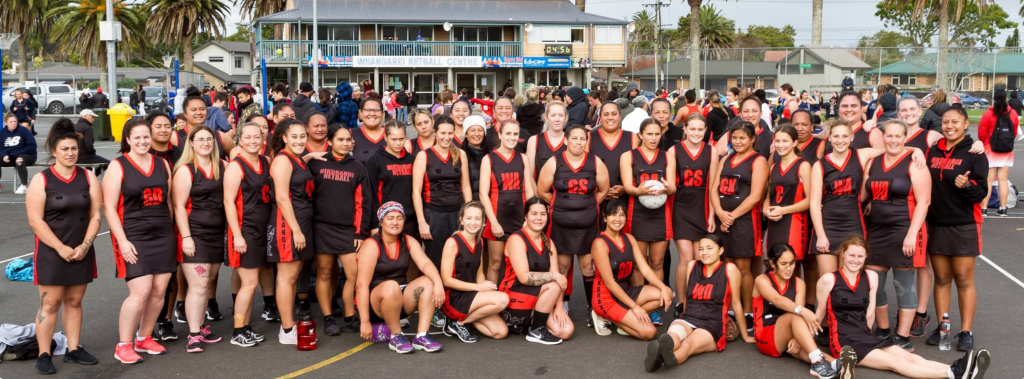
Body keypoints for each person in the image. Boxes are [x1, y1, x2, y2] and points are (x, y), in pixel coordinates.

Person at [815, 235, 988, 379]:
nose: (855, 260)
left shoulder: (871, 276)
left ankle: (959, 368)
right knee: (895, 363)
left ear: (866, 257)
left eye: (860, 256)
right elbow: (819, 314)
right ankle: (954, 374)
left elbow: (870, 313)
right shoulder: (828, 280)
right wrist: (805, 339)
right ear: (843, 254)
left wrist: (868, 337)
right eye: (851, 255)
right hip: (844, 342)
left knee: (909, 357)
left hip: (864, 335)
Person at [27, 119, 102, 374]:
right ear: (55, 152)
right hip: (51, 249)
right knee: (50, 304)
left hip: (81, 249)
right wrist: (60, 248)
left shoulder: (89, 177)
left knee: (74, 301)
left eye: (73, 149)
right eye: (65, 150)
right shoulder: (41, 179)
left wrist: (85, 245)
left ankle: (73, 349)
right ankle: (44, 353)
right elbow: (35, 220)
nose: (70, 153)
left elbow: (95, 216)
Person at [102, 119, 176, 364]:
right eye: (137, 138)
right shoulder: (117, 166)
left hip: (162, 233)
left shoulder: (163, 164)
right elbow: (110, 209)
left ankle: (144, 337)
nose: (143, 141)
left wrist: (172, 232)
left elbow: (169, 202)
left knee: (159, 291)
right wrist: (122, 241)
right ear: (128, 140)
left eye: (146, 137)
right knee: (141, 291)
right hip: (134, 235)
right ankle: (123, 344)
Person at [860, 119, 932, 353]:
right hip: (877, 230)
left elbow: (924, 202)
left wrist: (912, 234)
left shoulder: (915, 163)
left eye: (898, 136)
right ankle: (883, 329)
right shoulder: (874, 162)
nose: (893, 140)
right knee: (875, 284)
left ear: (905, 138)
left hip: (905, 229)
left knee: (904, 284)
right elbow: (864, 194)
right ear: (883, 137)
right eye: (888, 136)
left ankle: (902, 336)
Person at [925, 105, 989, 353]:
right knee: (941, 279)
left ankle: (966, 331)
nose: (949, 126)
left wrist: (967, 186)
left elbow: (982, 192)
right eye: (945, 122)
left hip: (963, 224)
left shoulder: (975, 153)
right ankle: (943, 327)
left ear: (965, 124)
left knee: (963, 279)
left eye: (955, 122)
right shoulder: (934, 149)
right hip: (936, 223)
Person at [645, 235, 753, 372]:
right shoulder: (692, 265)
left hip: (712, 323)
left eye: (709, 248)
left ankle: (661, 360)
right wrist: (683, 317)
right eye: (701, 249)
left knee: (688, 344)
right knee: (673, 335)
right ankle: (663, 349)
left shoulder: (730, 269)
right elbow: (688, 298)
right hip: (689, 317)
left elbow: (737, 304)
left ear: (720, 251)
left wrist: (746, 335)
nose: (704, 252)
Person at [537, 124, 610, 318]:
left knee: (588, 267)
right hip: (560, 224)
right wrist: (558, 204)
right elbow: (542, 191)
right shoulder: (554, 162)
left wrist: (589, 204)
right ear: (566, 140)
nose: (579, 142)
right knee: (562, 267)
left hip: (588, 224)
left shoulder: (595, 162)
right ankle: (563, 304)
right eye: (575, 138)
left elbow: (604, 189)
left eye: (582, 139)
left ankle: (593, 307)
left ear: (587, 142)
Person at [356, 202, 446, 353]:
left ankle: (422, 336)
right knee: (391, 285)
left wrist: (438, 283)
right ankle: (396, 336)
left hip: (400, 300)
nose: (395, 222)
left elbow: (425, 264)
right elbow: (361, 285)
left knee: (428, 281)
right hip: (376, 304)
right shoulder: (371, 245)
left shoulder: (408, 240)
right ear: (381, 221)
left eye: (399, 218)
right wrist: (364, 321)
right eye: (390, 218)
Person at [308, 125, 372, 336]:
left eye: (348, 140)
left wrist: (359, 233)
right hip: (322, 228)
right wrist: (307, 157)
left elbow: (363, 203)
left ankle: (348, 314)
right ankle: (328, 318)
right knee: (324, 273)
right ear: (331, 141)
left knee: (353, 274)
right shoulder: (317, 163)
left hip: (348, 231)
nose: (345, 144)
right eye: (340, 140)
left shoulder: (358, 168)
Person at [170, 125, 226, 353]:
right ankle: (193, 335)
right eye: (200, 139)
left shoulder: (223, 166)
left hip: (216, 233)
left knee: (207, 283)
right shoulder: (185, 170)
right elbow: (179, 206)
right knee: (199, 283)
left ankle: (200, 325)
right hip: (195, 233)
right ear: (191, 143)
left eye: (209, 139)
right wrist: (186, 237)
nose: (205, 143)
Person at [709, 121, 769, 331]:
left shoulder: (758, 160)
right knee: (726, 265)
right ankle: (731, 309)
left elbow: (755, 196)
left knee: (743, 268)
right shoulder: (726, 158)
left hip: (744, 220)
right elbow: (714, 188)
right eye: (734, 137)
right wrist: (719, 213)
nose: (738, 141)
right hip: (724, 218)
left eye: (743, 137)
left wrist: (731, 216)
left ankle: (748, 311)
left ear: (753, 139)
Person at [752, 243, 839, 378]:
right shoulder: (762, 280)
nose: (789, 268)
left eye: (792, 263)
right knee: (797, 316)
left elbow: (796, 312)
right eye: (784, 264)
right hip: (766, 334)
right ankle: (817, 363)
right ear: (773, 263)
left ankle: (837, 365)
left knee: (807, 349)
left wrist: (796, 337)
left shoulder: (799, 283)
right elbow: (777, 300)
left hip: (788, 333)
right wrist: (803, 311)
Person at [590, 199, 673, 339]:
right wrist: (635, 307)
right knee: (649, 333)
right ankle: (605, 316)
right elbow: (609, 283)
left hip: (626, 292)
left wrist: (663, 287)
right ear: (604, 218)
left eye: (622, 215)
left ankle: (625, 318)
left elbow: (645, 269)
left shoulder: (629, 238)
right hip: (606, 298)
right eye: (613, 215)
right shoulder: (600, 243)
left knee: (666, 294)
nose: (618, 219)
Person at [619, 118, 676, 319]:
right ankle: (639, 304)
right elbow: (627, 186)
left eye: (657, 134)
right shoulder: (628, 156)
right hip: (637, 215)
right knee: (637, 263)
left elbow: (673, 187)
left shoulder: (667, 156)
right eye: (649, 134)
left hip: (660, 215)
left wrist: (669, 188)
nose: (653, 138)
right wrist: (638, 190)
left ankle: (655, 309)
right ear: (640, 135)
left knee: (658, 262)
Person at [267, 119, 317, 344]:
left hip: (300, 221)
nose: (299, 141)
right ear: (284, 138)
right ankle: (287, 329)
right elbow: (281, 197)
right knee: (286, 279)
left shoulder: (296, 158)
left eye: (302, 136)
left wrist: (309, 157)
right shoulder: (282, 160)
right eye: (294, 137)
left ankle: (288, 325)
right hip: (288, 224)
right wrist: (296, 230)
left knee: (293, 277)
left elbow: (296, 173)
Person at [223, 122, 272, 347]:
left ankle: (245, 326)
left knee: (253, 283)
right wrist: (237, 235)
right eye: (248, 137)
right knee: (250, 282)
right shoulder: (236, 166)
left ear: (263, 139)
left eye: (257, 137)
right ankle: (237, 331)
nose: (253, 141)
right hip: (245, 230)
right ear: (240, 141)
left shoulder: (265, 161)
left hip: (261, 229)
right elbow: (229, 202)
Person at [498, 197, 574, 344]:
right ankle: (536, 330)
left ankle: (524, 325)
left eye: (543, 214)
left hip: (536, 296)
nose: (538, 218)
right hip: (513, 297)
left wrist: (559, 307)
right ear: (526, 216)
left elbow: (558, 279)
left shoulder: (548, 242)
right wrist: (553, 276)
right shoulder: (516, 239)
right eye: (534, 214)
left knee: (565, 331)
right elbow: (524, 278)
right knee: (553, 283)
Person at [439, 202, 511, 342]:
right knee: (502, 299)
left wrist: (485, 288)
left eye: (477, 219)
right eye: (469, 218)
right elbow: (446, 280)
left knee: (500, 332)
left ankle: (461, 322)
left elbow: (479, 273)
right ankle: (459, 323)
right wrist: (479, 288)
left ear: (483, 222)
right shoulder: (452, 242)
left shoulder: (479, 241)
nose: (473, 222)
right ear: (461, 220)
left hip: (472, 296)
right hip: (454, 298)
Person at [668, 113, 718, 310]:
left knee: (700, 259)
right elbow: (671, 184)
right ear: (685, 129)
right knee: (686, 258)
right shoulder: (674, 150)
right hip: (680, 207)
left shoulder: (711, 151)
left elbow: (712, 186)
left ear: (705, 131)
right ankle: (681, 301)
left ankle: (698, 300)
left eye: (700, 129)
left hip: (702, 207)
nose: (696, 133)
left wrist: (712, 215)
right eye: (692, 129)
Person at [413, 115, 472, 269]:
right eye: (443, 133)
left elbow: (465, 187)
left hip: (457, 214)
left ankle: (457, 292)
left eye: (450, 133)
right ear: (435, 133)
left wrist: (469, 215)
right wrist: (422, 222)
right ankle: (437, 292)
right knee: (436, 259)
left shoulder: (461, 154)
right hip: (434, 215)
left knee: (459, 258)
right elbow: (416, 191)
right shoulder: (423, 156)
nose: (447, 137)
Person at [480, 119, 535, 282]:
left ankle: (517, 302)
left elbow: (529, 190)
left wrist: (529, 218)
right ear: (500, 135)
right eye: (508, 133)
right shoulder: (489, 159)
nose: (512, 137)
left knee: (521, 263)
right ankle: (493, 304)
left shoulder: (523, 158)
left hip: (520, 219)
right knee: (495, 264)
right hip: (498, 217)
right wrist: (494, 222)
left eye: (515, 134)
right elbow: (483, 194)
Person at [763, 124, 812, 294]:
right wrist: (765, 210)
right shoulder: (773, 167)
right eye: (777, 141)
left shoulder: (803, 165)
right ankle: (777, 304)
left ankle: (794, 302)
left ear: (794, 143)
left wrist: (783, 210)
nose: (781, 145)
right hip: (775, 222)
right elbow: (768, 195)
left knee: (791, 264)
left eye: (785, 141)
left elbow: (810, 199)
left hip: (795, 221)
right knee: (776, 263)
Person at [367, 120, 417, 238]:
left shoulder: (412, 159)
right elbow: (370, 194)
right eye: (394, 139)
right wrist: (374, 223)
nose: (398, 143)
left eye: (401, 139)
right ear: (385, 137)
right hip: (385, 220)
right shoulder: (375, 160)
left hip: (409, 220)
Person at [978, 89, 1018, 216]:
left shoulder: (988, 114)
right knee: (1003, 179)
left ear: (994, 99)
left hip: (990, 149)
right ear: (1006, 99)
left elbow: (981, 133)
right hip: (1007, 150)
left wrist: (986, 143)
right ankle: (1003, 208)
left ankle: (984, 208)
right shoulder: (1013, 113)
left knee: (988, 180)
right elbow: (1015, 132)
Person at [171, 96, 234, 163]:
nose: (198, 112)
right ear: (185, 114)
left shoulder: (220, 136)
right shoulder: (175, 137)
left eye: (202, 109)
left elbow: (236, 160)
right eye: (193, 110)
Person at [525, 101, 567, 181]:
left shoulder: (571, 140)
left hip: (565, 192)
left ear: (565, 118)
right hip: (539, 191)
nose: (557, 119)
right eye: (553, 115)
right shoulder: (534, 140)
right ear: (546, 118)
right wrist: (537, 193)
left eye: (561, 115)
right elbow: (529, 176)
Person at [1, 112, 38, 194]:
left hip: (28, 154)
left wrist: (18, 154)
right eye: (11, 122)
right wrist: (4, 155)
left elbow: (32, 146)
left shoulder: (24, 131)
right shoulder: (2, 132)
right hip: (10, 156)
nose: (13, 123)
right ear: (6, 123)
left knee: (20, 160)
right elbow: (1, 147)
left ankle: (24, 186)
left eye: (15, 121)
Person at [351, 98, 388, 164]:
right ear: (360, 113)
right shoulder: (350, 135)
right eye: (367, 110)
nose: (372, 113)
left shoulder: (391, 133)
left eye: (376, 110)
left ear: (382, 113)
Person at [462, 115, 489, 201]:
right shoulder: (461, 156)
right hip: (469, 204)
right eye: (472, 130)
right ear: (466, 134)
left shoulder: (490, 155)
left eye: (480, 130)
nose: (477, 134)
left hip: (488, 204)